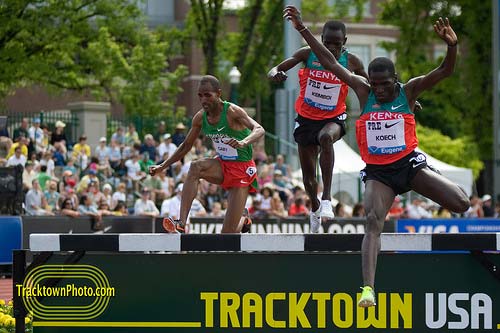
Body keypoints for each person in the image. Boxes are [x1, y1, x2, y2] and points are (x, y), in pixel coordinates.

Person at [284, 6, 470, 307]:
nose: (379, 90)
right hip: (379, 173)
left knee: (460, 204)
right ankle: (367, 289)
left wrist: (452, 46)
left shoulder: (408, 92)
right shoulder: (362, 89)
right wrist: (303, 30)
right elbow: (330, 63)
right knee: (372, 221)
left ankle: (432, 171)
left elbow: (445, 71)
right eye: (375, 83)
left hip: (408, 165)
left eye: (385, 85)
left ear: (395, 80)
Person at [268, 19, 367, 233]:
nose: (332, 48)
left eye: (337, 44)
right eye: (328, 43)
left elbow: (372, 88)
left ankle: (327, 198)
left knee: (326, 138)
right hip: (306, 119)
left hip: (334, 118)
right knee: (309, 179)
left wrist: (403, 98)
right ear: (321, 40)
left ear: (345, 42)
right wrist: (275, 73)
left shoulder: (352, 61)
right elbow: (276, 67)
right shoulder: (307, 54)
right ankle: (314, 206)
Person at [150, 75, 265, 233]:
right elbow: (185, 146)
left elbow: (259, 129)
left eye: (208, 95)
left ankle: (243, 218)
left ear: (218, 94)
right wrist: (163, 166)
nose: (203, 100)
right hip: (223, 164)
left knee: (227, 235)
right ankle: (181, 222)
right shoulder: (200, 118)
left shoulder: (232, 111)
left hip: (241, 170)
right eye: (200, 95)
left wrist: (244, 142)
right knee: (195, 167)